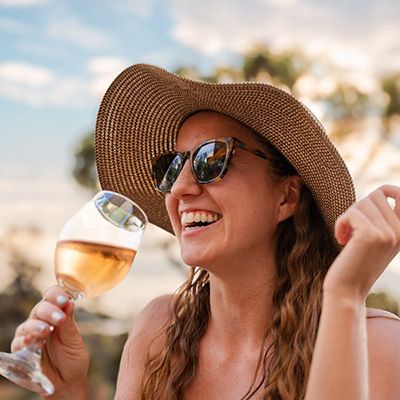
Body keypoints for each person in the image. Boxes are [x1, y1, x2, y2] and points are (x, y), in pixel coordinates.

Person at [10, 64, 400, 399]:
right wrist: (66, 391)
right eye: (171, 165)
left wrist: (345, 296)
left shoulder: (378, 347)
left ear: (287, 195)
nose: (179, 188)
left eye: (211, 159)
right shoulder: (158, 331)